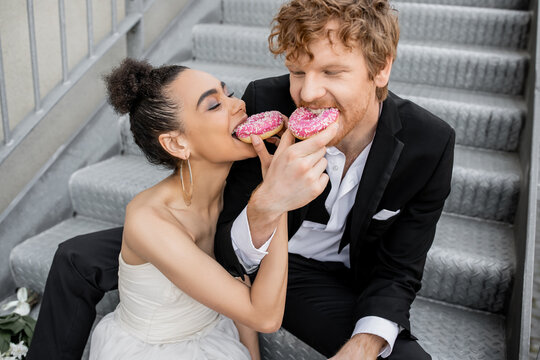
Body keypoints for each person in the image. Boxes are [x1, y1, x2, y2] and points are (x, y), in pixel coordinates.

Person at [28, 0, 454, 359]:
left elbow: (400, 269)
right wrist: (271, 200)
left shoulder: (428, 144)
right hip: (247, 234)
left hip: (324, 273)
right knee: (79, 255)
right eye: (298, 71)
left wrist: (365, 341)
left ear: (381, 69)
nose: (307, 94)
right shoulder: (267, 101)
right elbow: (229, 237)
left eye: (333, 72)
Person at [50, 57, 335, 360]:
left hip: (217, 336)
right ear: (177, 144)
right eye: (214, 105)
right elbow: (264, 317)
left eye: (230, 94)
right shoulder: (149, 220)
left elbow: (238, 276)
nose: (238, 105)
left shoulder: (237, 192)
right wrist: (276, 200)